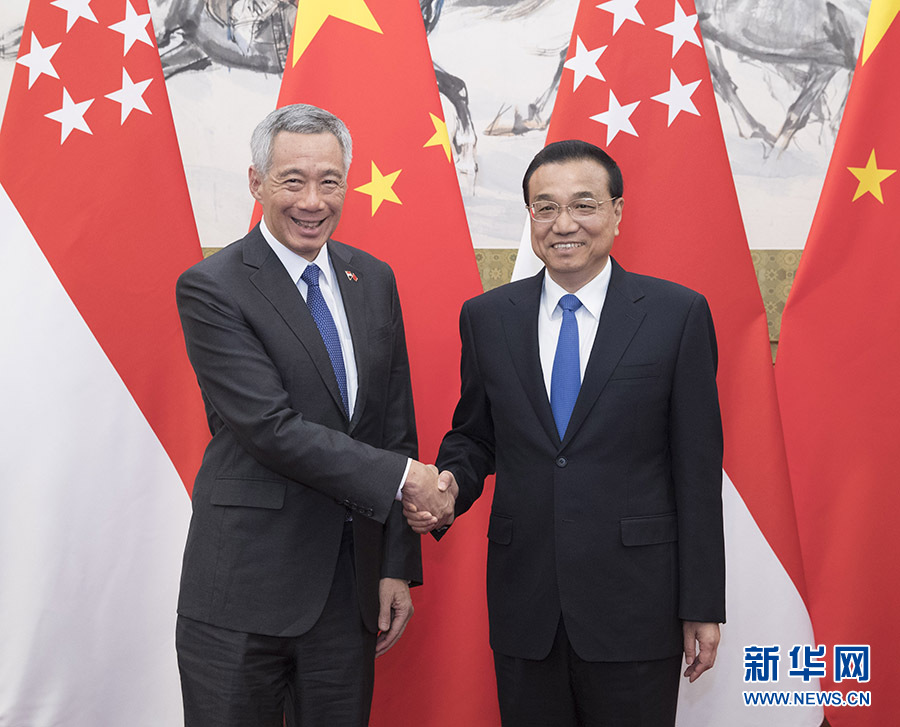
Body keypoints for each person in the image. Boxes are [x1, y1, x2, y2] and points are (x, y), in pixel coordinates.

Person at [407, 139, 725, 726]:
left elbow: (698, 471)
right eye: (546, 207)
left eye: (584, 204)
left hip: (637, 605)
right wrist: (449, 485)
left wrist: (701, 603)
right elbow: (476, 435)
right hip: (526, 603)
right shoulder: (488, 317)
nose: (564, 223)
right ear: (530, 216)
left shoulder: (676, 315)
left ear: (617, 212)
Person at [174, 103, 452, 727]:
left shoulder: (371, 278)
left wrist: (395, 566)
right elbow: (270, 429)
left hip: (347, 595)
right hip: (243, 592)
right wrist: (407, 479)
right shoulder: (213, 286)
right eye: (292, 180)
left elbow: (393, 424)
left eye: (329, 181)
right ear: (256, 182)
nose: (312, 201)